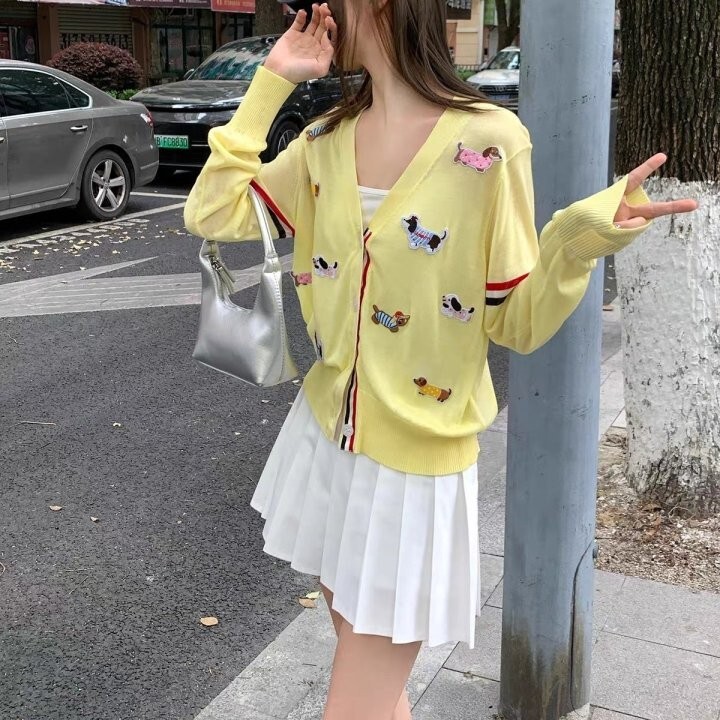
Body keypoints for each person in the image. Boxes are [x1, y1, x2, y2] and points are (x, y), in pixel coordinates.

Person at [184, 3, 698, 718]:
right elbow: (212, 214)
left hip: (415, 464)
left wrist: (575, 244)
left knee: (356, 702)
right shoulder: (325, 139)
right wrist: (271, 82)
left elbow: (515, 321)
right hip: (324, 440)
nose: (319, 9)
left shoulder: (488, 143)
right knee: (376, 692)